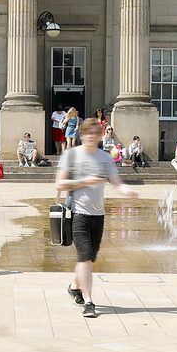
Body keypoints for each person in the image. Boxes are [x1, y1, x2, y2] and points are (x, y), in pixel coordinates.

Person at [55, 116, 133, 319]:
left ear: (100, 136)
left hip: (98, 215)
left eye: (95, 134)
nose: (91, 137)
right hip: (78, 214)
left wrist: (127, 191)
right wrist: (85, 181)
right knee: (85, 256)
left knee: (89, 258)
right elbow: (60, 184)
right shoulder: (71, 156)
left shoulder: (105, 158)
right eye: (87, 134)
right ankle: (88, 302)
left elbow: (116, 182)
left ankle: (74, 287)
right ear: (81, 135)